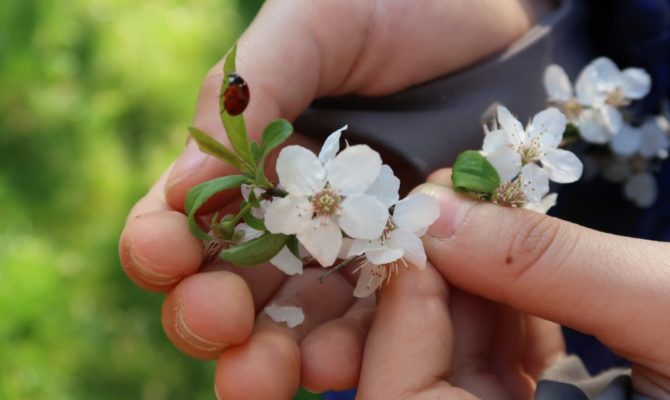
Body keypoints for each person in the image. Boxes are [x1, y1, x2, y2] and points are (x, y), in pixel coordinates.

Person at [118, 0, 670, 398]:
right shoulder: (323, 207)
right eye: (326, 203)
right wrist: (536, 24)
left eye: (327, 202)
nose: (327, 204)